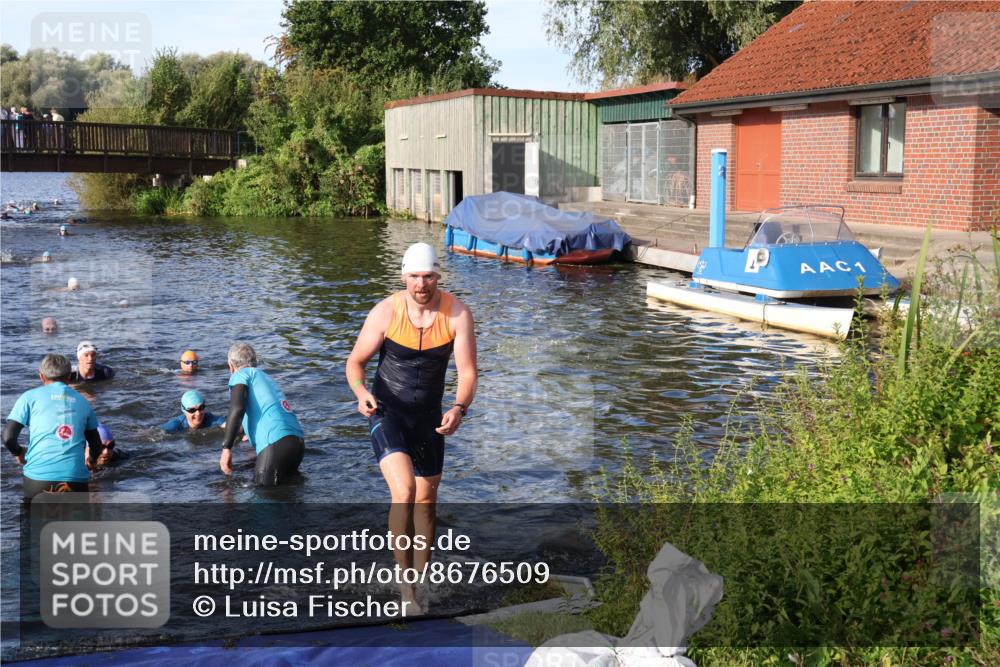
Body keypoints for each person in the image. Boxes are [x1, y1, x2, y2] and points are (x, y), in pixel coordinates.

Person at [345, 242, 478, 613]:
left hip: (430, 419)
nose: (422, 284)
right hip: (387, 412)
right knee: (403, 490)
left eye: (429, 276)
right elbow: (354, 362)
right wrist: (360, 393)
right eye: (415, 277)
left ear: (438, 276)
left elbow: (468, 372)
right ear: (404, 276)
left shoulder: (457, 315)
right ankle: (407, 593)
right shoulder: (386, 312)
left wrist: (459, 408)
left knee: (426, 503)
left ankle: (421, 582)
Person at [2, 354, 104, 499]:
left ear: (41, 376)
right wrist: (91, 461)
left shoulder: (29, 397)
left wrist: (18, 452)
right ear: (69, 375)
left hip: (37, 479)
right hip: (75, 480)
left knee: (33, 521)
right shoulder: (83, 401)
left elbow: (8, 438)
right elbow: (96, 444)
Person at [219, 342, 304, 486]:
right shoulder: (266, 378)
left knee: (263, 500)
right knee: (289, 499)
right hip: (297, 443)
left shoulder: (240, 375)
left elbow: (237, 408)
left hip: (274, 443)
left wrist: (226, 448)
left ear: (231, 366)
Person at [161, 390, 225, 433]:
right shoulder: (175, 425)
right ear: (184, 410)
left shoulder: (210, 419)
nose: (198, 413)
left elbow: (228, 425)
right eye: (192, 410)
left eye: (201, 408)